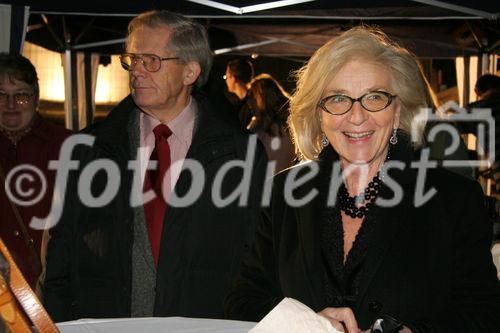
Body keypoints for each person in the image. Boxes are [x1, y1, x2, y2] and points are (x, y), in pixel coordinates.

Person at [225, 27, 500, 332]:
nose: (356, 116)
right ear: (319, 114)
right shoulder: (285, 193)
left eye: (374, 97)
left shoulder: (454, 199)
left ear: (398, 112)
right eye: (338, 99)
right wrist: (306, 323)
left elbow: (485, 313)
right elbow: (243, 301)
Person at [42, 10, 267, 322]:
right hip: (107, 326)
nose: (136, 71)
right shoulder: (87, 151)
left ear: (190, 71)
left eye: (151, 60)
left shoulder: (240, 153)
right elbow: (61, 258)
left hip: (203, 327)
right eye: (132, 59)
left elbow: (253, 258)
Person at [0, 53, 71, 290]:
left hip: (53, 290)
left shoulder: (69, 147)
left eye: (21, 95)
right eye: (1, 95)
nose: (10, 104)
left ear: (36, 99)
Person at [245, 73, 295, 173]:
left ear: (260, 98)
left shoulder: (260, 130)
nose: (249, 103)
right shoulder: (291, 124)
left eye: (251, 96)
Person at [224, 58, 254, 127]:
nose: (226, 81)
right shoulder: (243, 103)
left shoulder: (251, 104)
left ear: (233, 78)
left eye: (227, 77)